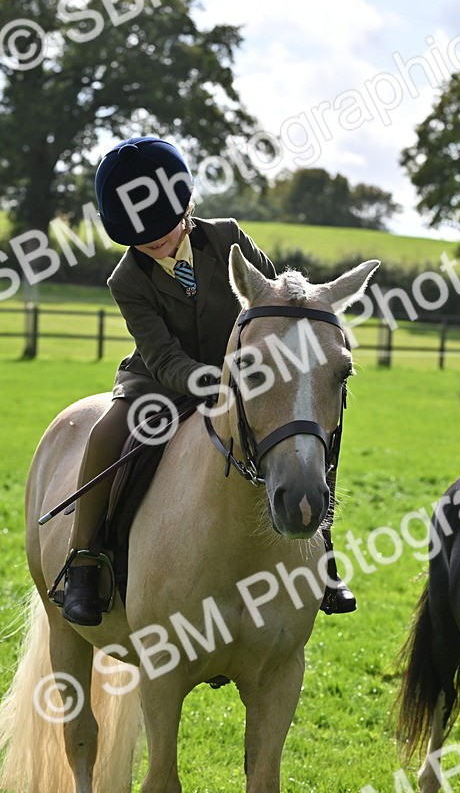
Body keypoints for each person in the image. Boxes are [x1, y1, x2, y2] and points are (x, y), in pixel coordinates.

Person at [59, 136, 356, 625]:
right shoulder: (127, 280)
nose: (155, 240)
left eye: (163, 226)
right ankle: (85, 561)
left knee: (312, 423)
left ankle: (323, 550)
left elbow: (272, 302)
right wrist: (212, 382)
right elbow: (161, 355)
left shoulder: (227, 238)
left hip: (247, 369)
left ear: (187, 206)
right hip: (160, 380)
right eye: (140, 235)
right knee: (105, 434)